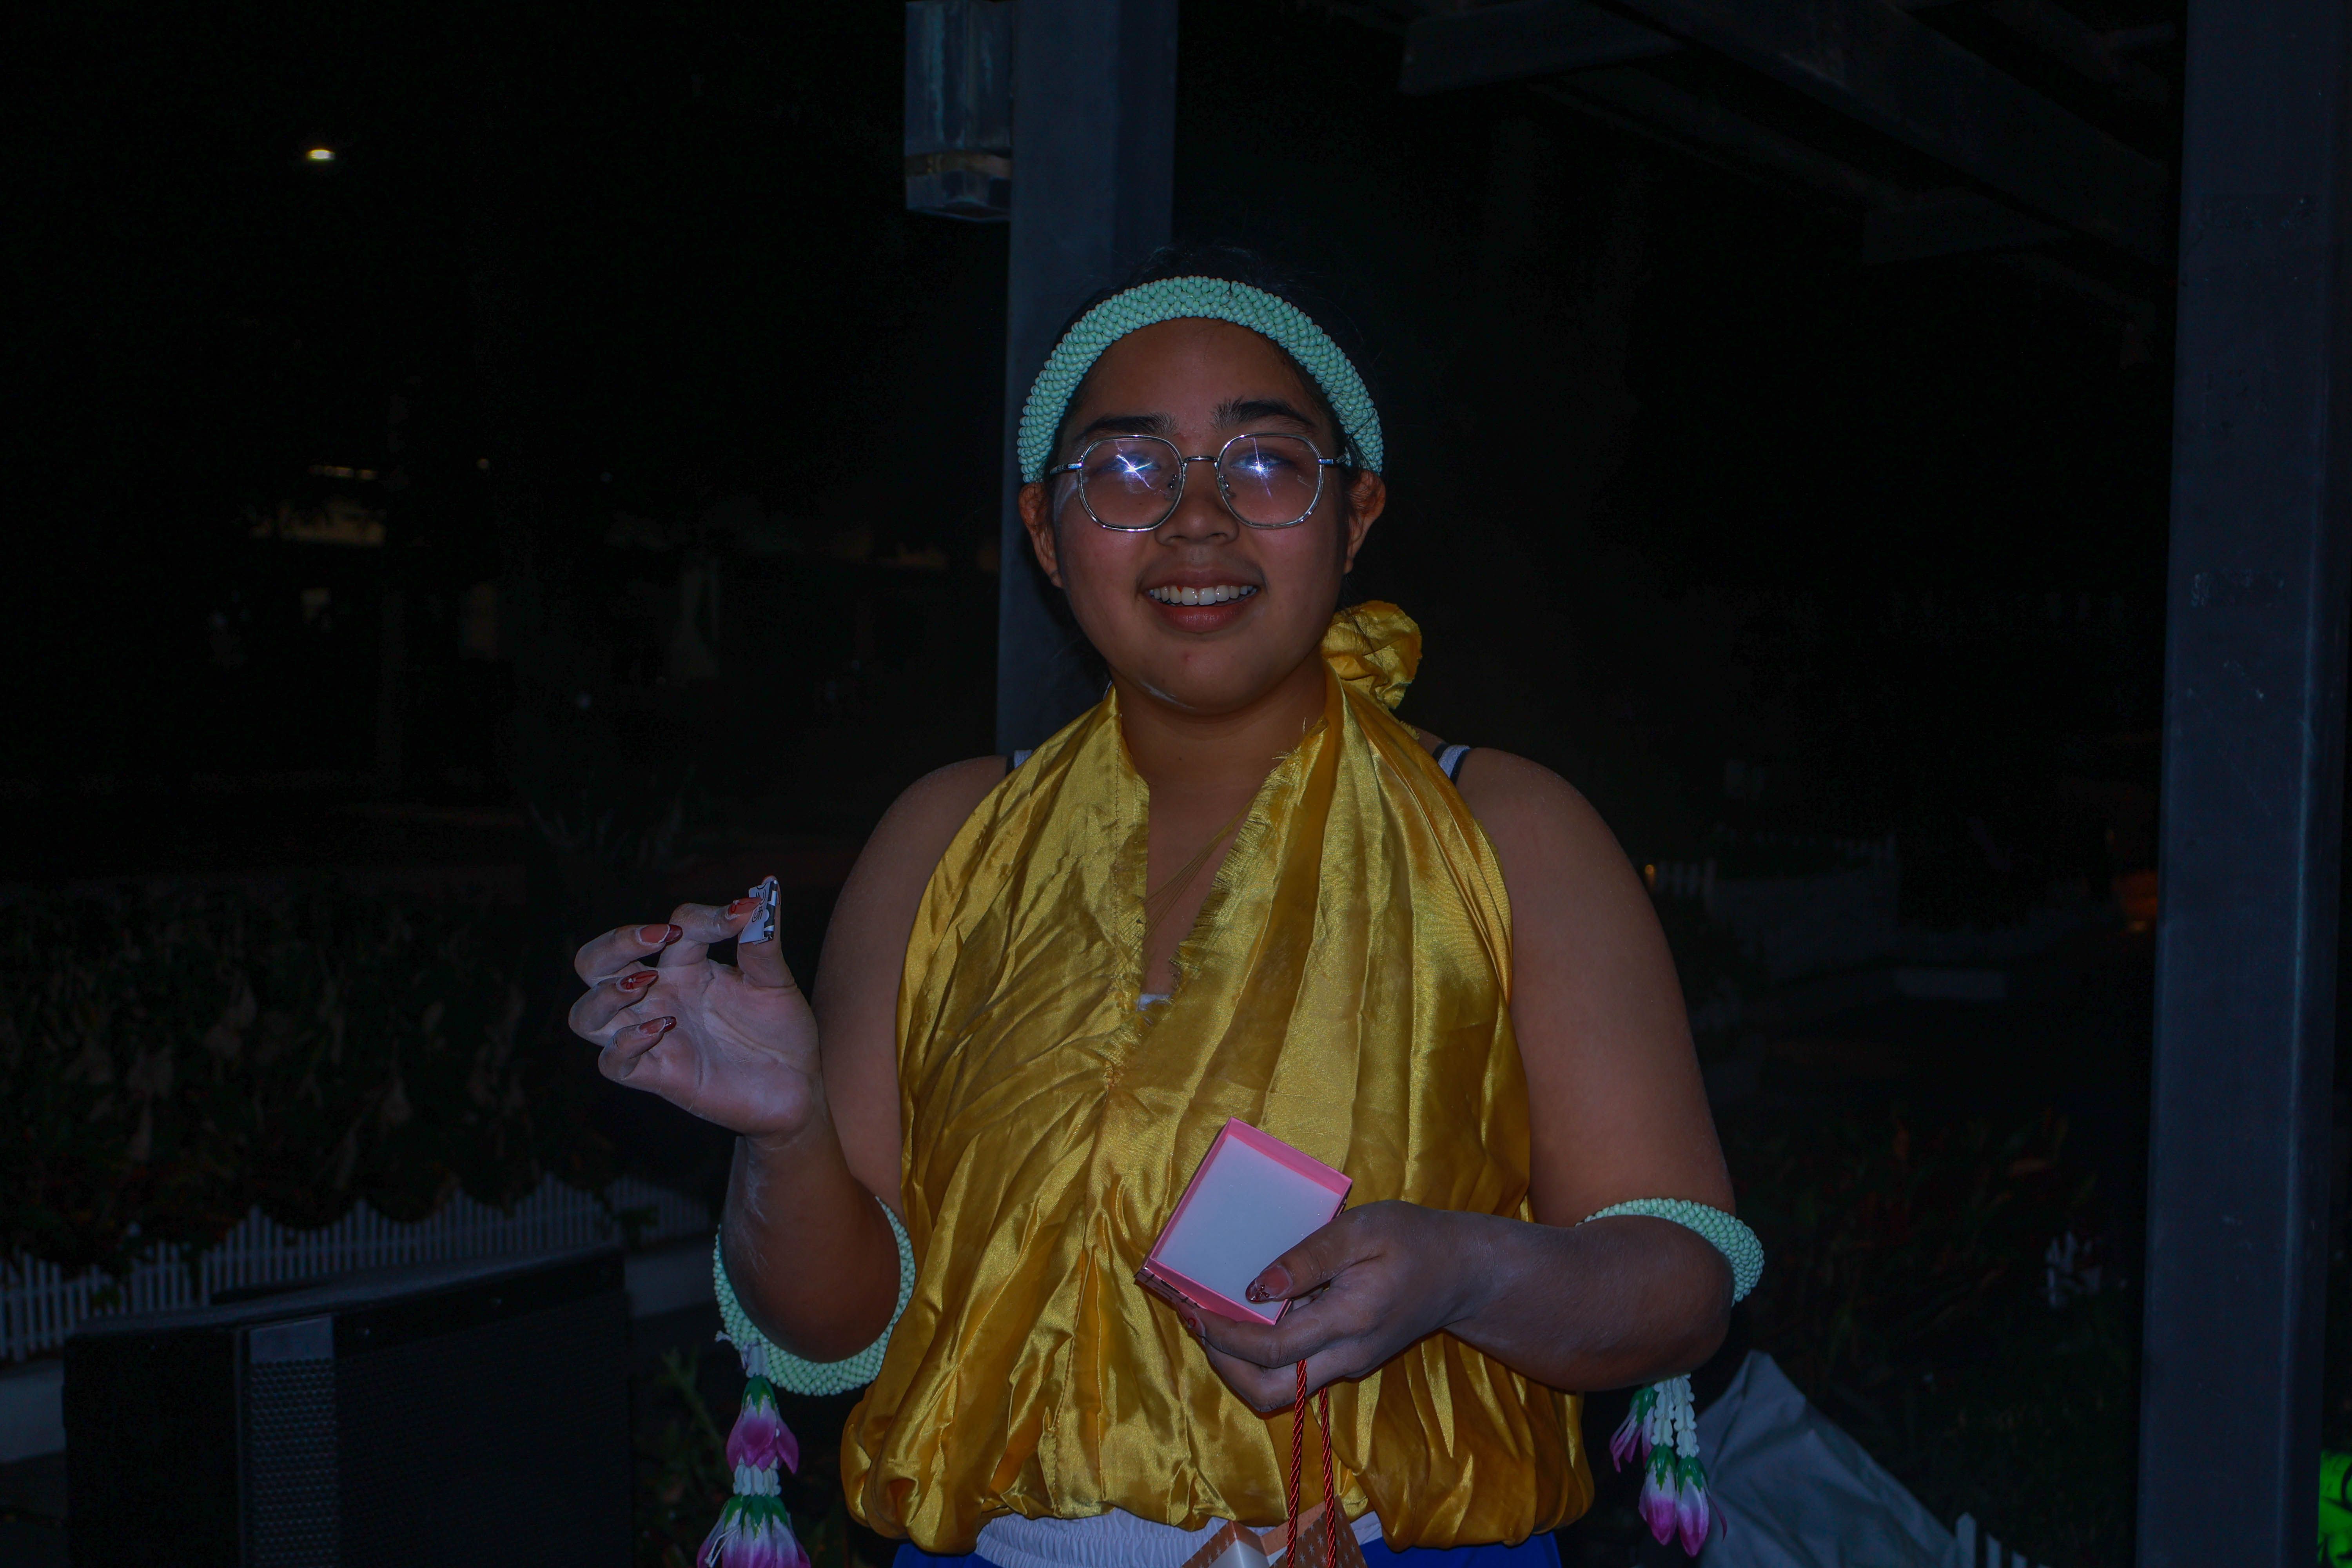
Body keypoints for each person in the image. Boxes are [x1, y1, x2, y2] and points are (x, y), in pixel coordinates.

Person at [571, 247, 1753, 1568]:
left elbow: (1679, 1284)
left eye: (1265, 462)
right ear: (1045, 531)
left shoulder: (1505, 829)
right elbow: (835, 1334)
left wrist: (1466, 1274)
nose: (1198, 519)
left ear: (1355, 513)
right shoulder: (948, 839)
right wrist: (784, 1134)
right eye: (1128, 468)